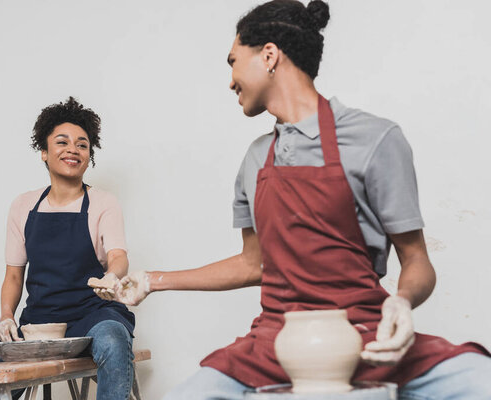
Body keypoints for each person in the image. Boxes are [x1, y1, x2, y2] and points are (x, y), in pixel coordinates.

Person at [94, 1, 491, 399]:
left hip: (369, 335)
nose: (230, 80)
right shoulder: (255, 158)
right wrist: (151, 280)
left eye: (233, 61)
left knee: (480, 380)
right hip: (275, 344)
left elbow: (417, 259)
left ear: (269, 55)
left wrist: (402, 303)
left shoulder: (376, 139)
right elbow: (254, 263)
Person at [0, 97, 135, 400]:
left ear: (89, 155)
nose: (73, 149)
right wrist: (7, 317)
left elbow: (118, 258)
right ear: (44, 152)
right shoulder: (23, 206)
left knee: (113, 338)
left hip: (93, 316)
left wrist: (113, 276)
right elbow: (14, 276)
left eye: (82, 145)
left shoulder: (103, 203)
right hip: (40, 323)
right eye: (62, 142)